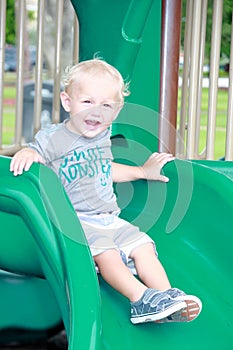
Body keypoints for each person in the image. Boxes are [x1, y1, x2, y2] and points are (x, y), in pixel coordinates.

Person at [10, 58, 202, 324]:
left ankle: (166, 299)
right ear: (68, 103)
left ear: (116, 111)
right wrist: (29, 152)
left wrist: (142, 172)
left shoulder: (101, 135)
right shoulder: (54, 138)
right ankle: (140, 299)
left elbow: (104, 169)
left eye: (106, 106)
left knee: (144, 246)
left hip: (107, 218)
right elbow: (36, 153)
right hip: (73, 222)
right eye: (87, 102)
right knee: (109, 253)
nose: (96, 112)